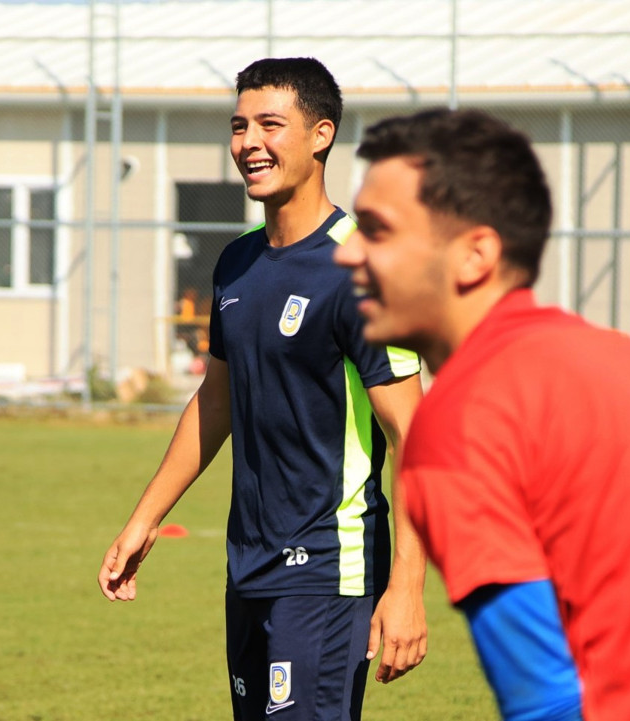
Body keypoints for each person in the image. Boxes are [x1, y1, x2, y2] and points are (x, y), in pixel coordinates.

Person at [334, 107, 630, 721]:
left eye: (377, 230)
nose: (346, 254)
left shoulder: (460, 424)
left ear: (475, 256)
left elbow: (547, 701)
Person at [98, 57, 427, 721]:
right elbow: (215, 402)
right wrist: (145, 517)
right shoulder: (237, 262)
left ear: (321, 135)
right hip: (248, 563)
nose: (249, 142)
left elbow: (418, 438)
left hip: (331, 568)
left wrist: (408, 587)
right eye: (239, 126)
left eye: (270, 125)